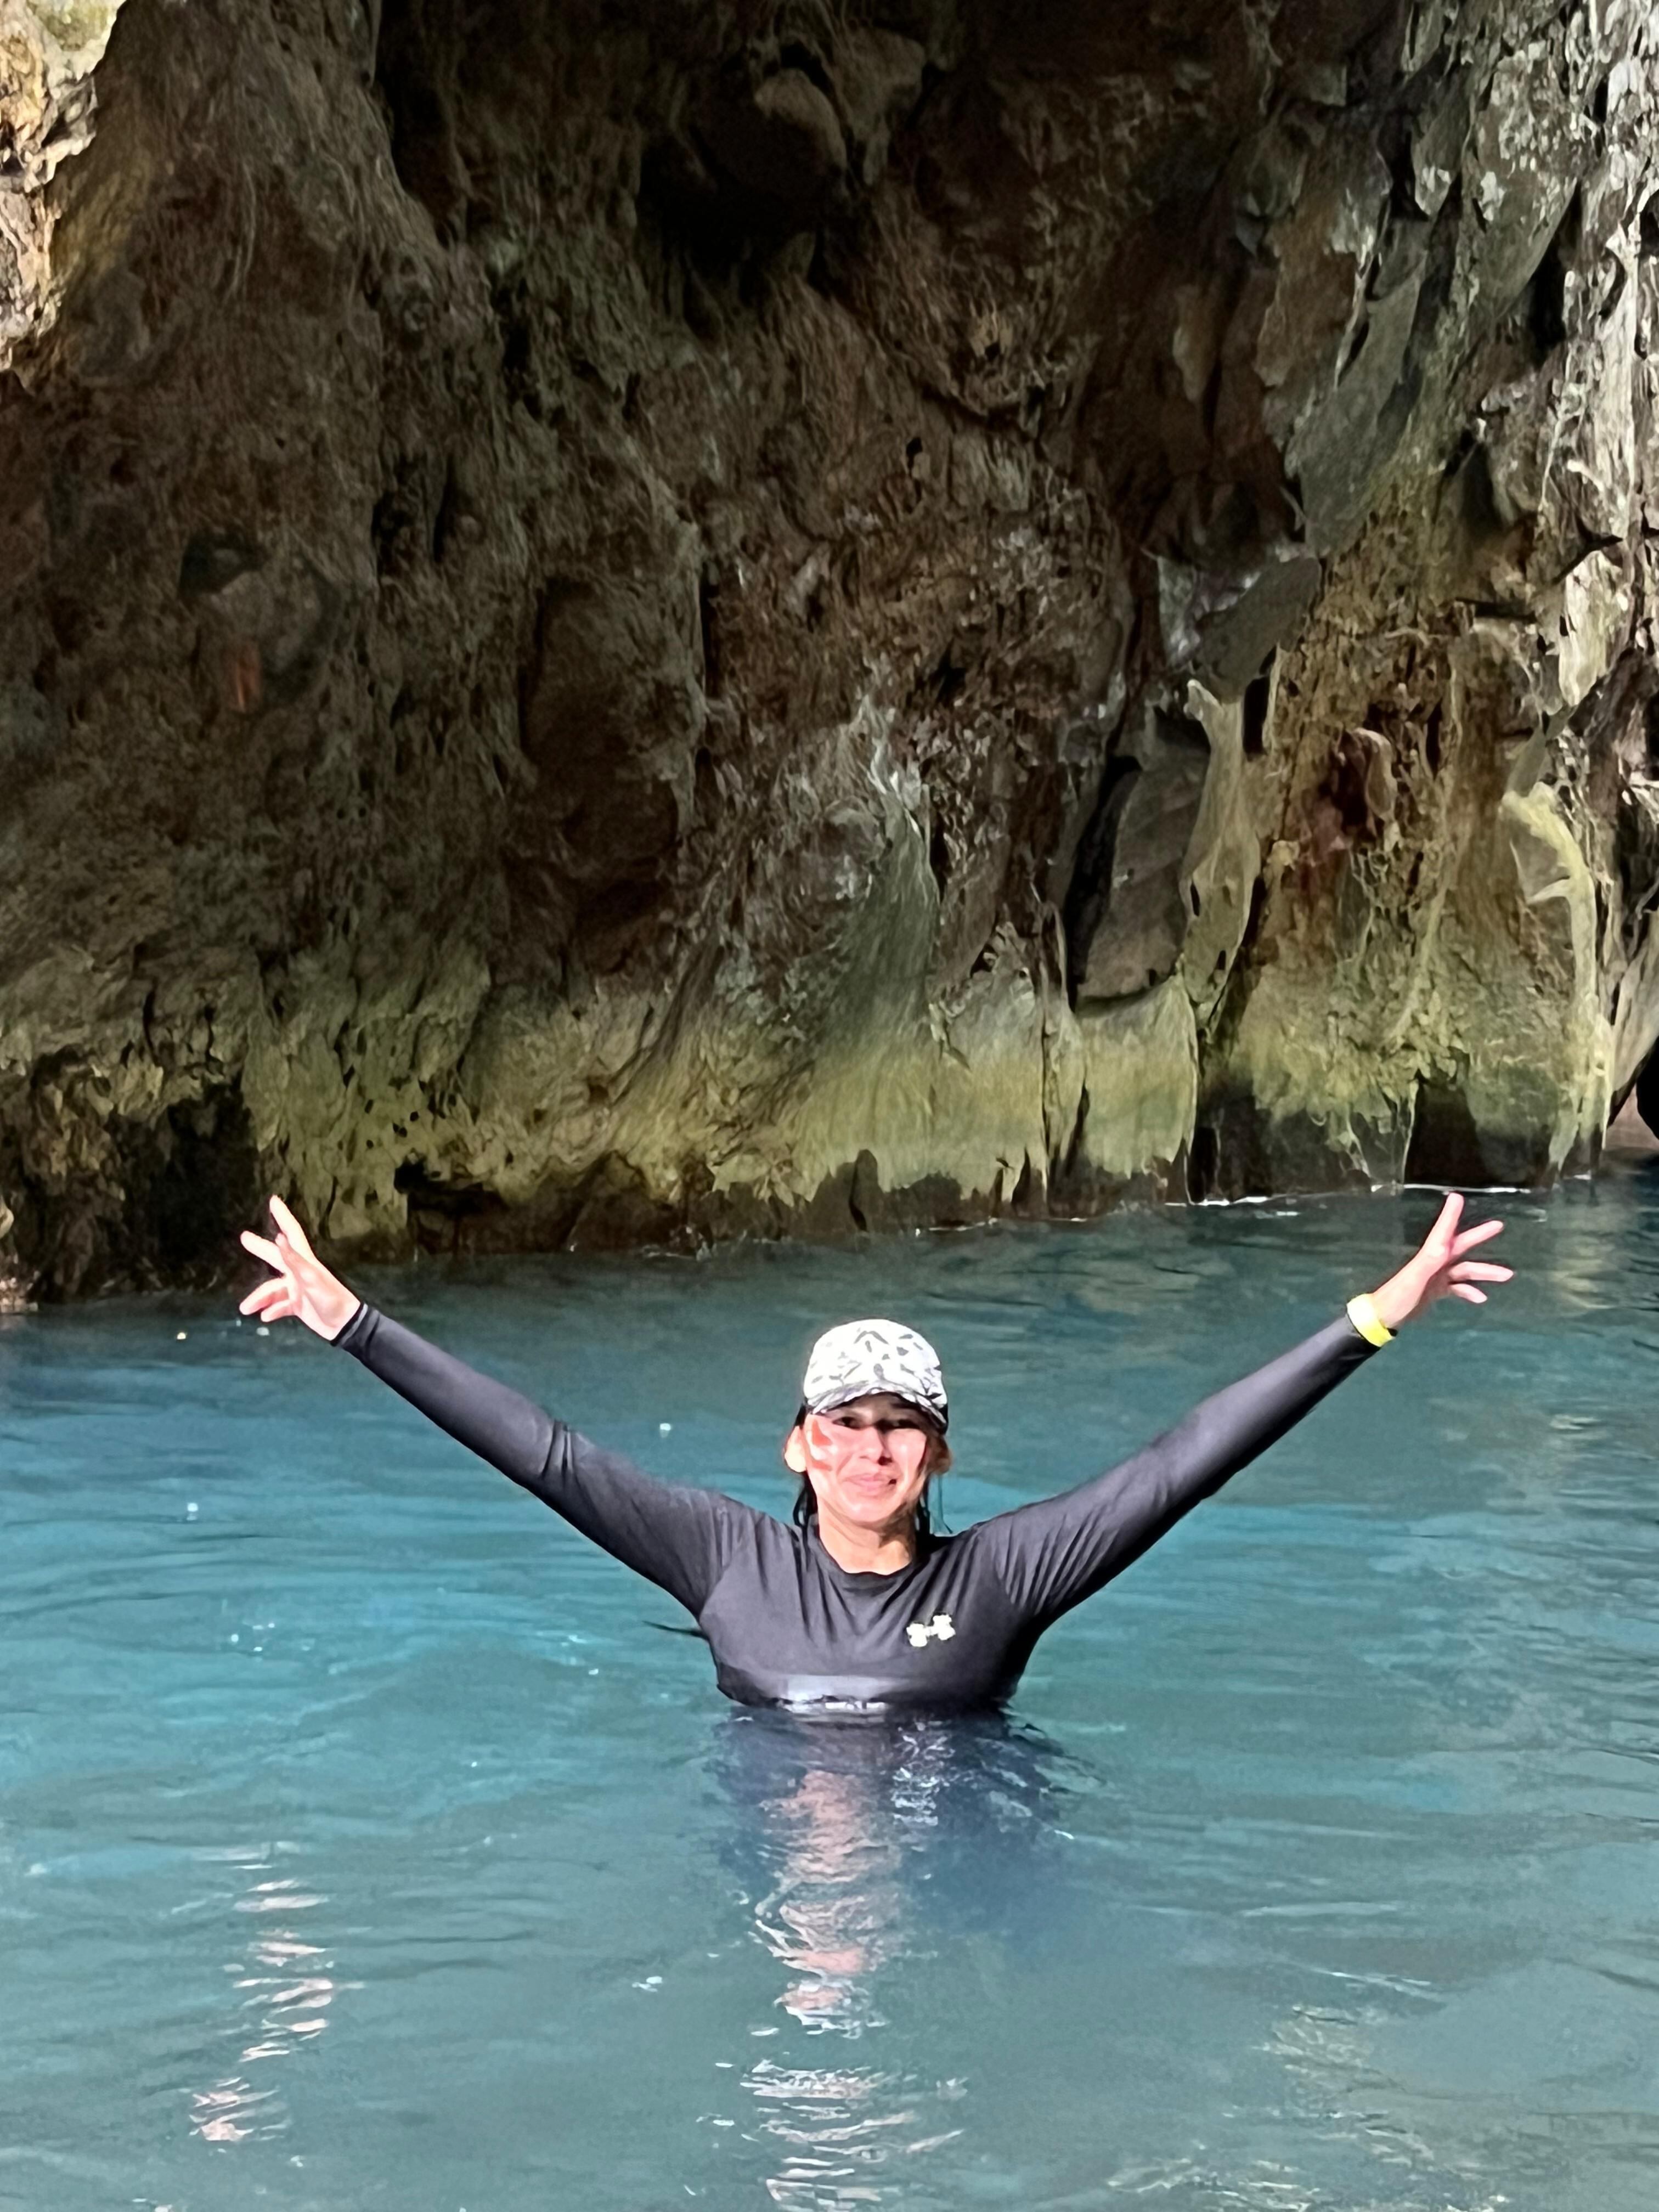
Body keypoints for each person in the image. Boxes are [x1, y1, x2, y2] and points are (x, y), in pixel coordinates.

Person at [237, 1192, 1510, 1715]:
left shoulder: (999, 1580)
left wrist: (1376, 1316)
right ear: (801, 1442)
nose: (870, 1448)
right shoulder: (723, 1559)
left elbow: (1182, 1463)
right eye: (844, 1423)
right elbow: (550, 1457)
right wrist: (354, 1324)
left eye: (899, 1425)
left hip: (960, 1854)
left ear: (939, 1454)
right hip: (771, 1868)